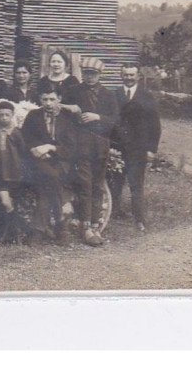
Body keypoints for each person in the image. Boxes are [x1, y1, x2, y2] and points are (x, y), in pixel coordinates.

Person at [21, 90, 79, 245]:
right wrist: (35, 150)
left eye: (52, 99)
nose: (48, 103)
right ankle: (62, 228)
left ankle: (38, 231)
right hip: (39, 162)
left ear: (59, 99)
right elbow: (25, 140)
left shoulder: (67, 118)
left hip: (61, 162)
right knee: (51, 178)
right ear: (40, 98)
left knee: (48, 187)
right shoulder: (33, 116)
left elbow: (71, 147)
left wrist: (51, 147)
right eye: (44, 99)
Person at [71, 57, 118, 247]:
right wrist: (72, 110)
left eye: (93, 74)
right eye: (86, 73)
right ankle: (86, 226)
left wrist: (97, 116)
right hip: (81, 145)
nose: (89, 77)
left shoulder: (108, 95)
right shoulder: (74, 92)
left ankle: (97, 225)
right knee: (85, 184)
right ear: (82, 74)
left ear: (100, 75)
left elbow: (115, 119)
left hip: (100, 145)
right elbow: (65, 112)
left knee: (98, 185)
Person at [110, 63, 162, 232]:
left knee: (136, 184)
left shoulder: (146, 96)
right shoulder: (115, 95)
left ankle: (139, 218)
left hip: (137, 149)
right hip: (117, 147)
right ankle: (114, 212)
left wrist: (151, 150)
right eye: (125, 74)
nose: (129, 78)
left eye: (132, 75)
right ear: (121, 75)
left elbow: (155, 125)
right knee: (115, 182)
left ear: (138, 76)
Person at [0, 101, 33, 244]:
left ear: (12, 115)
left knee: (16, 204)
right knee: (5, 203)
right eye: (1, 115)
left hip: (15, 174)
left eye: (7, 115)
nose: (4, 118)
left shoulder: (16, 132)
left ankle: (13, 234)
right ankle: (12, 232)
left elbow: (24, 152)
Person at [37, 49, 81, 116]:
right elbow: (39, 102)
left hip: (67, 117)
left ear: (65, 64)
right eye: (53, 61)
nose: (56, 64)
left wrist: (61, 106)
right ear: (49, 64)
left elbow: (77, 104)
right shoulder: (43, 81)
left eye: (59, 62)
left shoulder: (72, 81)